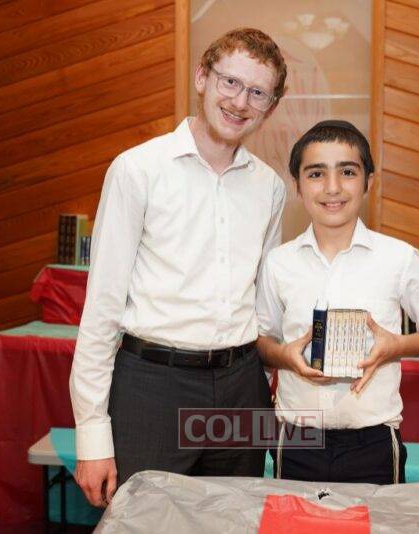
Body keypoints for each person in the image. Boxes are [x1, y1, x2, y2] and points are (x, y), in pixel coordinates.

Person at [70, 28, 288, 507]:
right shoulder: (137, 170)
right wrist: (92, 436)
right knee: (146, 520)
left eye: (257, 93)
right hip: (152, 384)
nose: (240, 102)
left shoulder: (270, 187)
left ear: (270, 107)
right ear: (202, 78)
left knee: (235, 519)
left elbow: (264, 302)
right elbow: (102, 307)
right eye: (230, 82)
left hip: (241, 384)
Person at [255, 120, 419, 484]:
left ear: (368, 182)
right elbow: (261, 340)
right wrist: (284, 355)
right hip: (297, 436)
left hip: (374, 436)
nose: (332, 187)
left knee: (374, 516)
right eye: (316, 174)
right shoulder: (278, 262)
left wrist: (396, 345)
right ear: (298, 186)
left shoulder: (398, 257)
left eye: (347, 172)